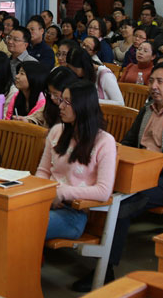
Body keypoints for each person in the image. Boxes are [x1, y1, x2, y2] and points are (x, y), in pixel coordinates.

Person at [91, 59, 163, 290]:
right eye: (151, 81)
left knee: (121, 206)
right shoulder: (146, 110)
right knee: (99, 189)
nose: (153, 86)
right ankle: (89, 246)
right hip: (140, 173)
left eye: (160, 82)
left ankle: (105, 270)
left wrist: (148, 166)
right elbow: (128, 142)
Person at [37, 79, 117, 242]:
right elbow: (43, 171)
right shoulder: (57, 131)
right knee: (10, 217)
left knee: (25, 224)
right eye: (62, 100)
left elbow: (103, 191)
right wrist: (46, 196)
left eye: (68, 102)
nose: (61, 106)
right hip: (45, 202)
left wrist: (61, 193)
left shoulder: (104, 141)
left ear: (83, 106)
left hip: (73, 213)